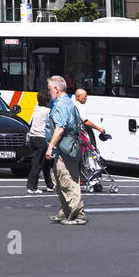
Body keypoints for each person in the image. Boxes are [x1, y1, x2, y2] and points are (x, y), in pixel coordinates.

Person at [44, 76, 86, 226]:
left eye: (49, 89)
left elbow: (60, 128)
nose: (49, 93)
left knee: (67, 180)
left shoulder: (61, 104)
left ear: (56, 88)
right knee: (60, 179)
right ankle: (66, 210)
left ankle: (77, 214)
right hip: (67, 148)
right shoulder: (69, 102)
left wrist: (50, 147)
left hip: (64, 148)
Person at [25, 87, 56, 194]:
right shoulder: (48, 111)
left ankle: (50, 185)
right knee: (37, 163)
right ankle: (32, 186)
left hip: (33, 138)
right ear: (47, 101)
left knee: (46, 163)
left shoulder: (36, 108)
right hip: (41, 139)